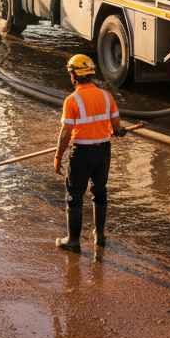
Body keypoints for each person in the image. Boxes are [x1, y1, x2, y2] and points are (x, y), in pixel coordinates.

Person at [54, 54, 126, 252]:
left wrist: (58, 156)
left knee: (74, 196)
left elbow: (66, 132)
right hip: (103, 151)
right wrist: (119, 132)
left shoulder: (72, 100)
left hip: (82, 153)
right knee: (100, 191)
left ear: (73, 75)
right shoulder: (106, 96)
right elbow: (117, 127)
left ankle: (73, 241)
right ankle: (99, 236)